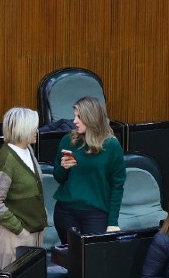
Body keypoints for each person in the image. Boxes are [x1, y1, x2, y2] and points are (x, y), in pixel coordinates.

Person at [52, 96, 125, 244]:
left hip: (96, 214)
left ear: (91, 118)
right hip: (66, 211)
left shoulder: (111, 145)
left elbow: (117, 186)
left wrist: (113, 222)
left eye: (79, 117)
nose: (74, 121)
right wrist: (64, 168)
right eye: (74, 116)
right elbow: (58, 177)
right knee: (72, 261)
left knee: (93, 262)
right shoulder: (68, 140)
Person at [0, 107, 48, 267]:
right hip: (16, 235)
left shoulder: (27, 149)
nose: (37, 130)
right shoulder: (6, 159)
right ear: (23, 129)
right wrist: (19, 230)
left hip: (35, 231)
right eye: (33, 127)